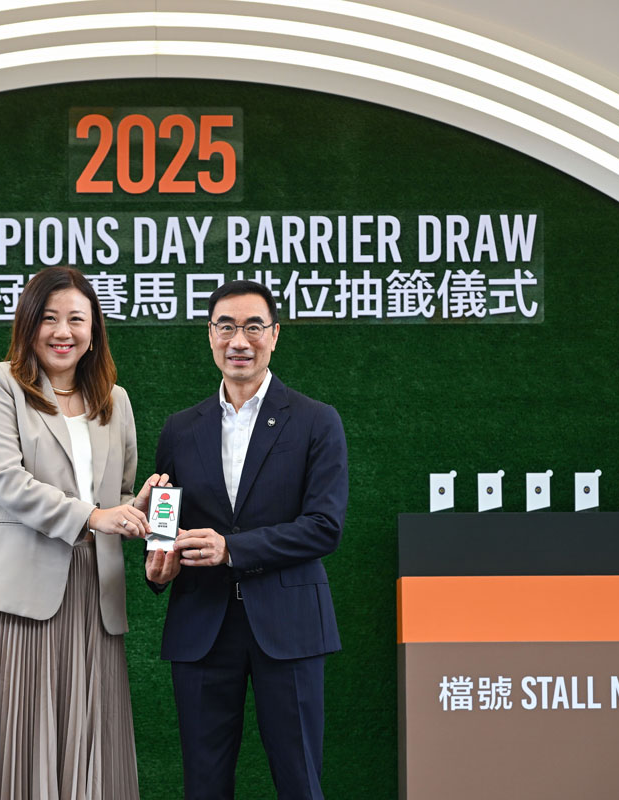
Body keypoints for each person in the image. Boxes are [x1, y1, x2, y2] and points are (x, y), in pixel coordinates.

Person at [0, 266, 165, 800]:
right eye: (48, 318)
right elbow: (8, 482)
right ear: (28, 325)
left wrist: (133, 509)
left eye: (76, 319)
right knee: (18, 746)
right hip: (17, 597)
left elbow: (114, 495)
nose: (62, 332)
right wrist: (95, 517)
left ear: (94, 331)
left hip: (94, 595)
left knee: (93, 745)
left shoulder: (115, 400)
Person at [145, 279, 348, 800]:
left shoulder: (316, 420)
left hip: (289, 624)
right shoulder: (179, 428)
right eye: (226, 327)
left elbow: (324, 526)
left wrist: (232, 549)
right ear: (210, 336)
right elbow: (166, 517)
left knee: (299, 780)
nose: (240, 340)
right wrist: (157, 563)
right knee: (204, 784)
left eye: (253, 327)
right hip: (201, 624)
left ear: (274, 335)